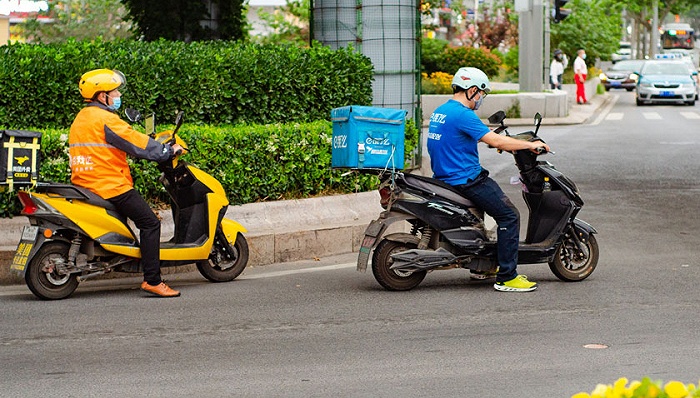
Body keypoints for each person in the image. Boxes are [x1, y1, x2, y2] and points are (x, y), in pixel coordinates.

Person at [426, 67, 551, 292]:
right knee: (509, 216)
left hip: (444, 176)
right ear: (472, 90)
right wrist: (531, 145)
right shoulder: (464, 114)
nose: (481, 98)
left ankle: (481, 266)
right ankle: (507, 277)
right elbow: (499, 142)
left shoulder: (442, 111)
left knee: (482, 214)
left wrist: (490, 137)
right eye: (482, 93)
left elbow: (460, 137)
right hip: (466, 179)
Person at [69, 69, 183, 298]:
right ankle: (153, 280)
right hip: (109, 185)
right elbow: (136, 142)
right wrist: (166, 151)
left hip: (86, 182)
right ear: (103, 96)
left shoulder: (82, 117)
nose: (119, 95)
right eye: (115, 91)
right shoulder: (106, 119)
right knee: (150, 223)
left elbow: (107, 147)